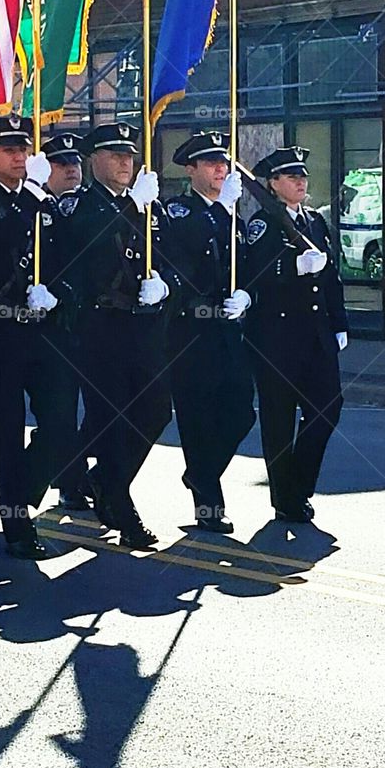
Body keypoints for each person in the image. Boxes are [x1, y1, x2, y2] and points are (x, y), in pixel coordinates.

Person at [55, 122, 177, 548]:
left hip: (143, 327)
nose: (126, 161)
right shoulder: (78, 207)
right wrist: (130, 210)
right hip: (98, 328)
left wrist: (164, 285)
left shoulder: (147, 207)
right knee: (110, 420)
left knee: (157, 410)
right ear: (93, 160)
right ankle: (122, 511)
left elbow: (171, 262)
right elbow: (86, 248)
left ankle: (103, 480)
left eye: (129, 154)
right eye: (114, 154)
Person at [0, 114, 69, 560]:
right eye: (9, 149)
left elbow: (65, 261)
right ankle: (16, 525)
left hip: (43, 335)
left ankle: (22, 494)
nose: (20, 155)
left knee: (60, 422)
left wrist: (56, 295)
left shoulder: (42, 204)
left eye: (24, 148)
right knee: (7, 432)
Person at [244, 146, 348, 524]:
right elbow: (254, 275)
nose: (301, 182)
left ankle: (298, 482)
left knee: (327, 409)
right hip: (277, 339)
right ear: (273, 184)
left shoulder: (315, 221)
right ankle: (285, 499)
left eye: (302, 175)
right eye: (291, 177)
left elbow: (331, 276)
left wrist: (339, 324)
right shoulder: (263, 224)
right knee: (279, 420)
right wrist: (292, 266)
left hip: (317, 336)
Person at [161, 131, 255, 533]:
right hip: (190, 333)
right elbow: (181, 256)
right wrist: (218, 212)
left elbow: (247, 268)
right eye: (211, 163)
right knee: (197, 421)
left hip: (228, 331)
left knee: (239, 413)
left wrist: (247, 296)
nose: (220, 170)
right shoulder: (179, 212)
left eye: (224, 164)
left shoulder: (231, 216)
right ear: (191, 169)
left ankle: (200, 473)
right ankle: (208, 505)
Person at [40, 132, 91, 512]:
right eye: (60, 164)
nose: (71, 169)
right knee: (58, 412)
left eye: (75, 162)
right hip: (47, 329)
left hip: (88, 324)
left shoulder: (85, 207)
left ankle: (73, 473)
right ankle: (66, 481)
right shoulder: (37, 208)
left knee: (100, 410)